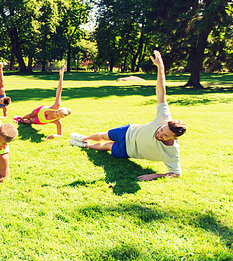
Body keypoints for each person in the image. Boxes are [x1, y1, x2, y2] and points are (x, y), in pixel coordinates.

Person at [69, 50, 187, 181]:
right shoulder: (164, 118)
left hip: (129, 150)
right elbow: (161, 92)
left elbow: (176, 173)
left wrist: (156, 175)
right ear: (164, 124)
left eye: (165, 135)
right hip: (129, 131)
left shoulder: (172, 152)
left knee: (108, 146)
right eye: (161, 130)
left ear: (174, 139)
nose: (159, 134)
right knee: (104, 135)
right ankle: (84, 138)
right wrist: (160, 67)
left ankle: (85, 145)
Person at [13, 66, 71, 141]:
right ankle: (21, 118)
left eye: (57, 115)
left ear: (60, 117)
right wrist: (61, 76)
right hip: (40, 110)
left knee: (30, 121)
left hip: (41, 120)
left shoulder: (58, 121)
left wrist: (53, 135)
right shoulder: (56, 105)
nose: (54, 114)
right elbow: (59, 90)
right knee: (30, 115)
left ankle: (22, 121)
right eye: (56, 112)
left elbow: (60, 134)